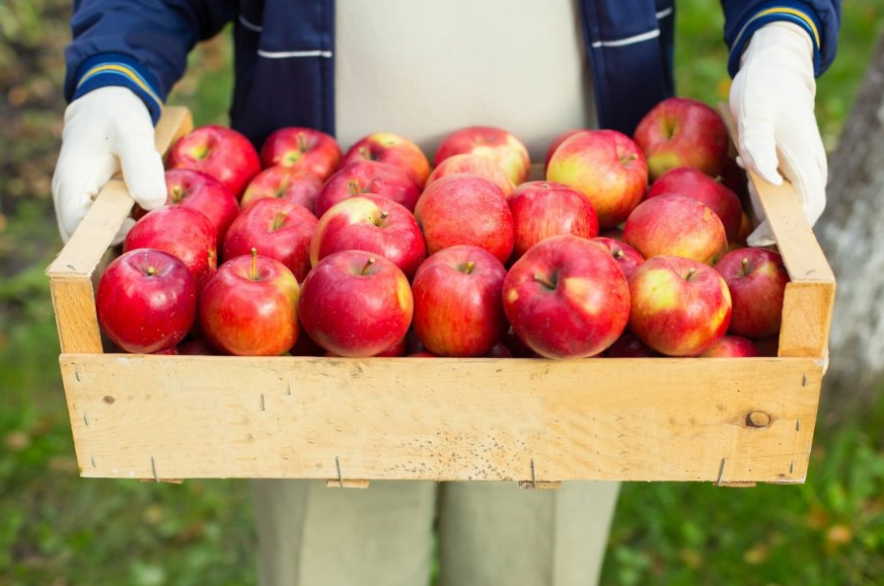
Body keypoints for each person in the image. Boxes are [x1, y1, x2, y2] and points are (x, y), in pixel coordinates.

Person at [53, 2, 841, 584]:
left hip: (595, 245)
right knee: (328, 563)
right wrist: (114, 74)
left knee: (534, 561)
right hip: (313, 249)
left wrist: (781, 34)